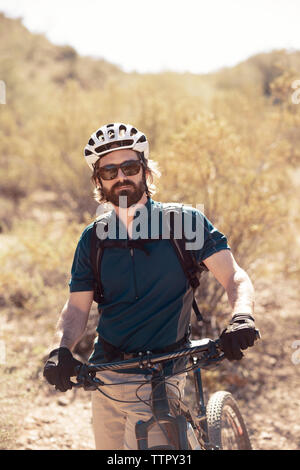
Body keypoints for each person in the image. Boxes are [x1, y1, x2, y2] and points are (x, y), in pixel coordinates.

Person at [43, 122, 258, 450]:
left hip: (163, 369)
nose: (120, 177)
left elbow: (234, 277)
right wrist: (61, 349)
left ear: (145, 171)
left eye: (129, 167)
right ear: (98, 180)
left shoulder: (185, 223)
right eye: (109, 170)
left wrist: (242, 316)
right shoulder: (93, 238)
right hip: (108, 371)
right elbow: (75, 307)